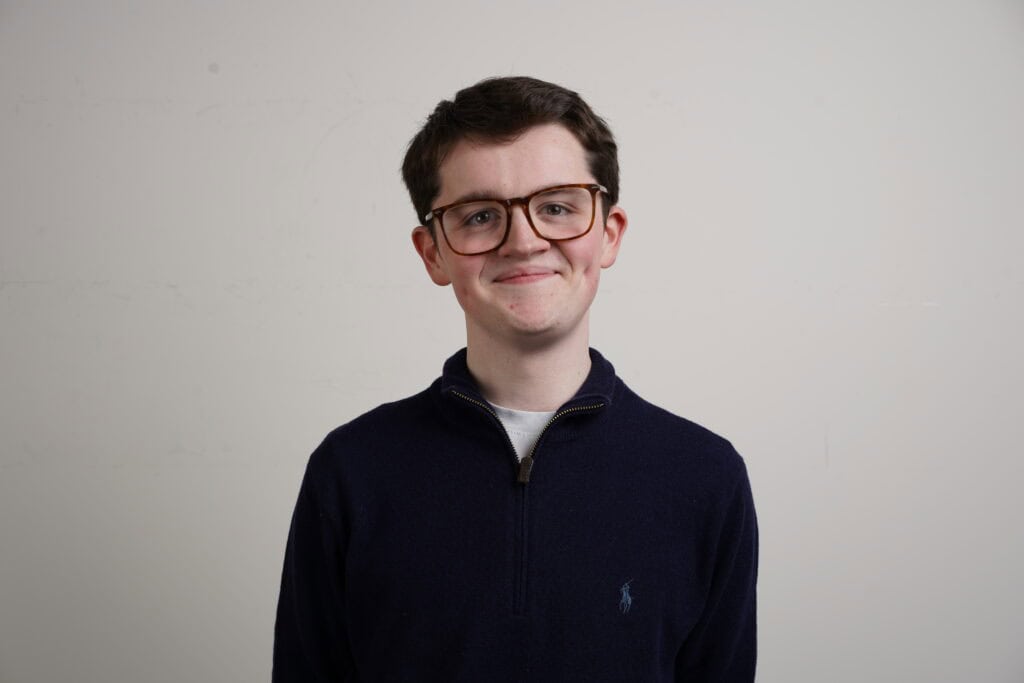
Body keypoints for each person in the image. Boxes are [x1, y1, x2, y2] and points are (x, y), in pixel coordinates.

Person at [273, 76, 758, 682]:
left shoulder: (705, 477)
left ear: (608, 233)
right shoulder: (351, 471)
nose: (524, 242)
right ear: (433, 253)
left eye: (557, 207)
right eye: (480, 216)